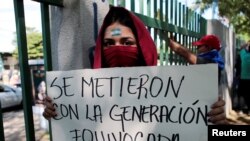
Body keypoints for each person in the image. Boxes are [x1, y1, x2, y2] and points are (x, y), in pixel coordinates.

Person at [43, 6, 226, 124]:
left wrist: (220, 125)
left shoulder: (173, 91)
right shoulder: (84, 92)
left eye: (127, 42)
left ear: (142, 46)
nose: (117, 50)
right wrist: (58, 113)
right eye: (108, 43)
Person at [235, 40, 250, 115]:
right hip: (242, 78)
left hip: (244, 78)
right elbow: (237, 64)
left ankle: (243, 109)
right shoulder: (242, 53)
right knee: (241, 94)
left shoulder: (242, 53)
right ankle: (241, 108)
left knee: (243, 94)